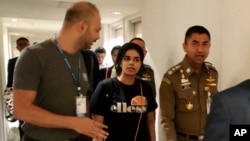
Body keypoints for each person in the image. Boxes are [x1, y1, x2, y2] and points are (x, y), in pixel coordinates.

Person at [13, 1, 109, 141]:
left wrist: (88, 128)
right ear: (82, 27)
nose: (98, 36)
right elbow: (21, 110)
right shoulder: (33, 55)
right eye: (97, 30)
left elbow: (82, 96)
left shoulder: (86, 58)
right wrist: (73, 123)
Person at [159, 25, 218, 141]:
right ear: (184, 47)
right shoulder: (171, 78)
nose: (200, 49)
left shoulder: (212, 73)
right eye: (195, 43)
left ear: (209, 46)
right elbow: (167, 120)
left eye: (205, 44)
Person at [90, 42, 158, 141]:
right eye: (127, 58)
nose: (131, 63)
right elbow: (97, 128)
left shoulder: (145, 87)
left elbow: (150, 121)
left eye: (136, 59)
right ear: (120, 62)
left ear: (140, 63)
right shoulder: (105, 87)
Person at [6, 37, 30, 141]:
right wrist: (10, 101)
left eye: (25, 43)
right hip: (19, 97)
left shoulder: (36, 61)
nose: (23, 46)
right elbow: (10, 82)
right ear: (17, 47)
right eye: (21, 44)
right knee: (22, 123)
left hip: (35, 96)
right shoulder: (12, 62)